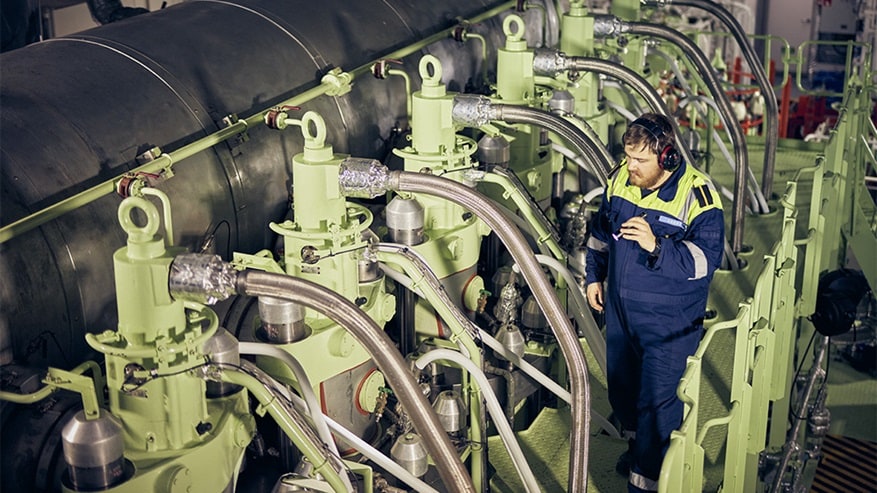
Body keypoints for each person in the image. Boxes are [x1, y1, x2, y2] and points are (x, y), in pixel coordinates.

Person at [585, 113, 725, 492]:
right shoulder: (620, 179)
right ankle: (638, 453)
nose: (630, 166)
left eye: (640, 161)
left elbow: (704, 262)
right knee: (624, 394)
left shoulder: (697, 195)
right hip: (621, 315)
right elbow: (600, 234)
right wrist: (593, 275)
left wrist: (657, 245)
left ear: (666, 158)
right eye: (628, 157)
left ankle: (645, 484)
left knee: (656, 411)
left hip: (668, 324)